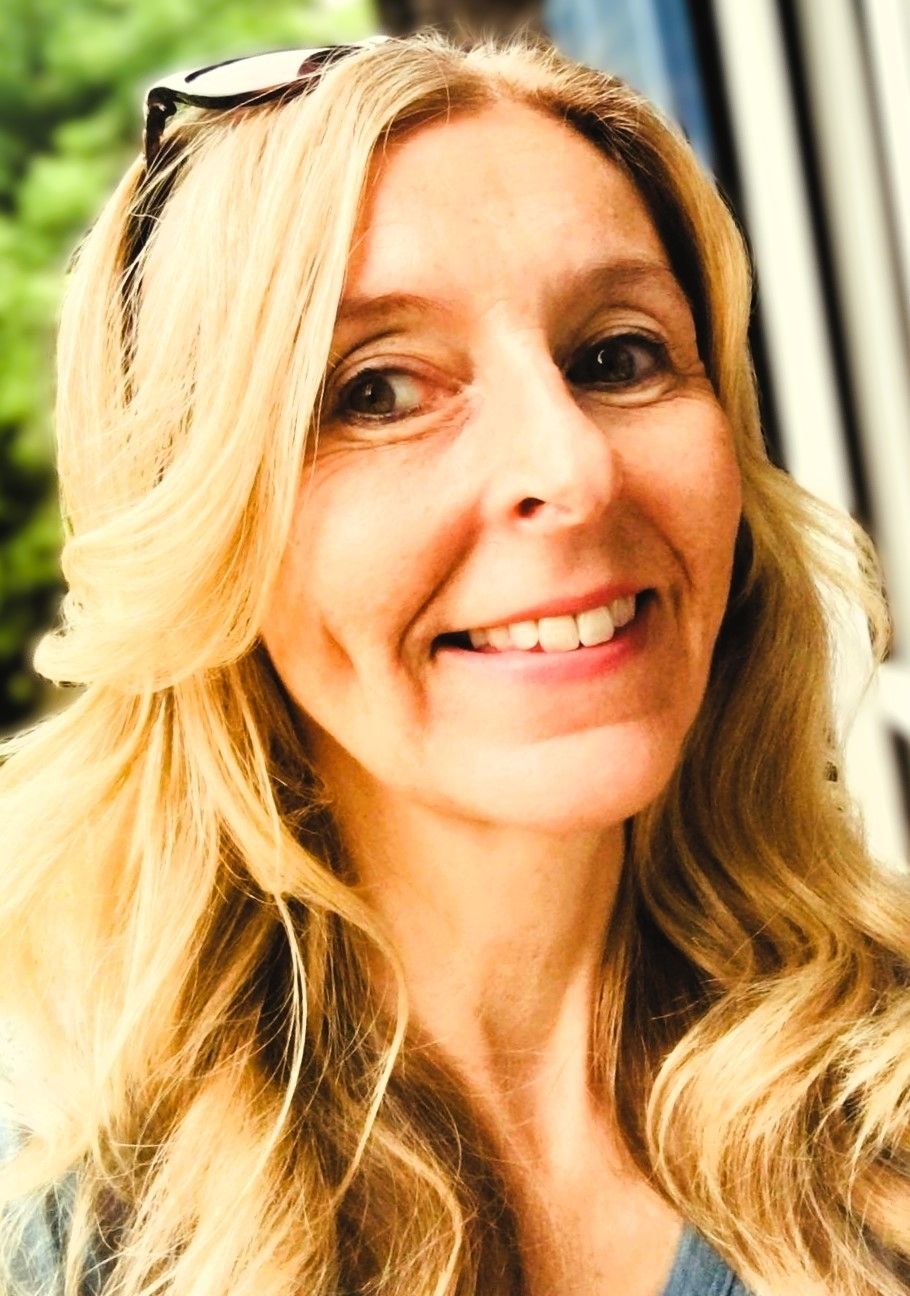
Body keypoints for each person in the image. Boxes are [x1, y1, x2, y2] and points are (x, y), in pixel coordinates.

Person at [0, 29, 908, 1296]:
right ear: (203, 525)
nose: (573, 469)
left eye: (616, 356)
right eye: (377, 391)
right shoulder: (70, 1224)